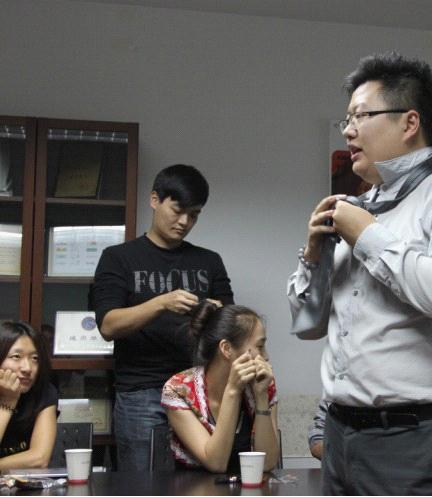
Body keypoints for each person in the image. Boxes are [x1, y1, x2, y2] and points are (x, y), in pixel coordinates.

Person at [288, 51, 432, 495]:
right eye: (347, 118)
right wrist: (312, 256)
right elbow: (307, 326)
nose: (347, 130)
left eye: (360, 116)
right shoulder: (355, 207)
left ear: (409, 123)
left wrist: (367, 237)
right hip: (340, 434)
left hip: (420, 437)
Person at [92, 164, 234, 471]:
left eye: (194, 215)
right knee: (144, 484)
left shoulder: (209, 261)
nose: (184, 222)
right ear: (155, 200)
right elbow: (108, 325)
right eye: (178, 210)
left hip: (198, 389)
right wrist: (161, 303)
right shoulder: (118, 258)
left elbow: (230, 329)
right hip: (142, 391)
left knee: (203, 482)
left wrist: (216, 312)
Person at [161, 301, 279, 473]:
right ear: (226, 348)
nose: (266, 356)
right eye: (260, 347)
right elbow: (216, 463)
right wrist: (233, 390)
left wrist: (261, 397)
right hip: (193, 485)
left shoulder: (262, 383)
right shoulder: (178, 389)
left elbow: (267, 464)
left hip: (247, 484)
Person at [0, 321, 57, 469]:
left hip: (23, 481)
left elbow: (40, 458)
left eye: (34, 358)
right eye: (16, 356)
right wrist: (8, 401)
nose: (27, 368)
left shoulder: (43, 391)